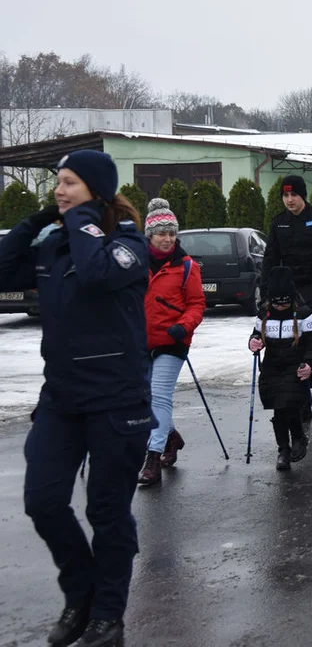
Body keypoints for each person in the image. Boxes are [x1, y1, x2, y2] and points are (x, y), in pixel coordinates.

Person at [0, 149, 154, 647]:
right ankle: (81, 595)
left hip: (117, 399)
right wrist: (38, 221)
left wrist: (85, 220)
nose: (58, 191)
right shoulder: (55, 244)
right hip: (62, 399)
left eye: (68, 183)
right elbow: (2, 274)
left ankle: (108, 615)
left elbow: (97, 274)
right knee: (43, 500)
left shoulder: (129, 244)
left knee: (107, 513)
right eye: (57, 184)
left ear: (96, 191)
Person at [138, 198, 206, 486]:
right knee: (143, 399)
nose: (167, 239)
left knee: (159, 394)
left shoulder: (187, 266)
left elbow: (197, 304)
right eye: (161, 233)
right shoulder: (135, 262)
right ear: (150, 235)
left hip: (173, 341)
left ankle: (152, 457)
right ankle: (171, 436)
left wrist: (184, 325)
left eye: (171, 233)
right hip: (140, 341)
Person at [261, 175, 312, 413]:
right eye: (285, 196)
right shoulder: (279, 224)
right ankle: (302, 399)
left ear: (302, 195)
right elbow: (270, 261)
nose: (289, 200)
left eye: (293, 195)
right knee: (293, 347)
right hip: (292, 294)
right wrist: (266, 295)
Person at [247, 266, 312, 471]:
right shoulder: (264, 314)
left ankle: (298, 438)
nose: (281, 307)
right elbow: (255, 335)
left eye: (285, 302)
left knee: (289, 405)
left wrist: (309, 363)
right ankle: (283, 449)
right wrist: (254, 342)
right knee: (278, 409)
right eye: (277, 303)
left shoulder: (303, 313)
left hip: (296, 367)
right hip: (271, 368)